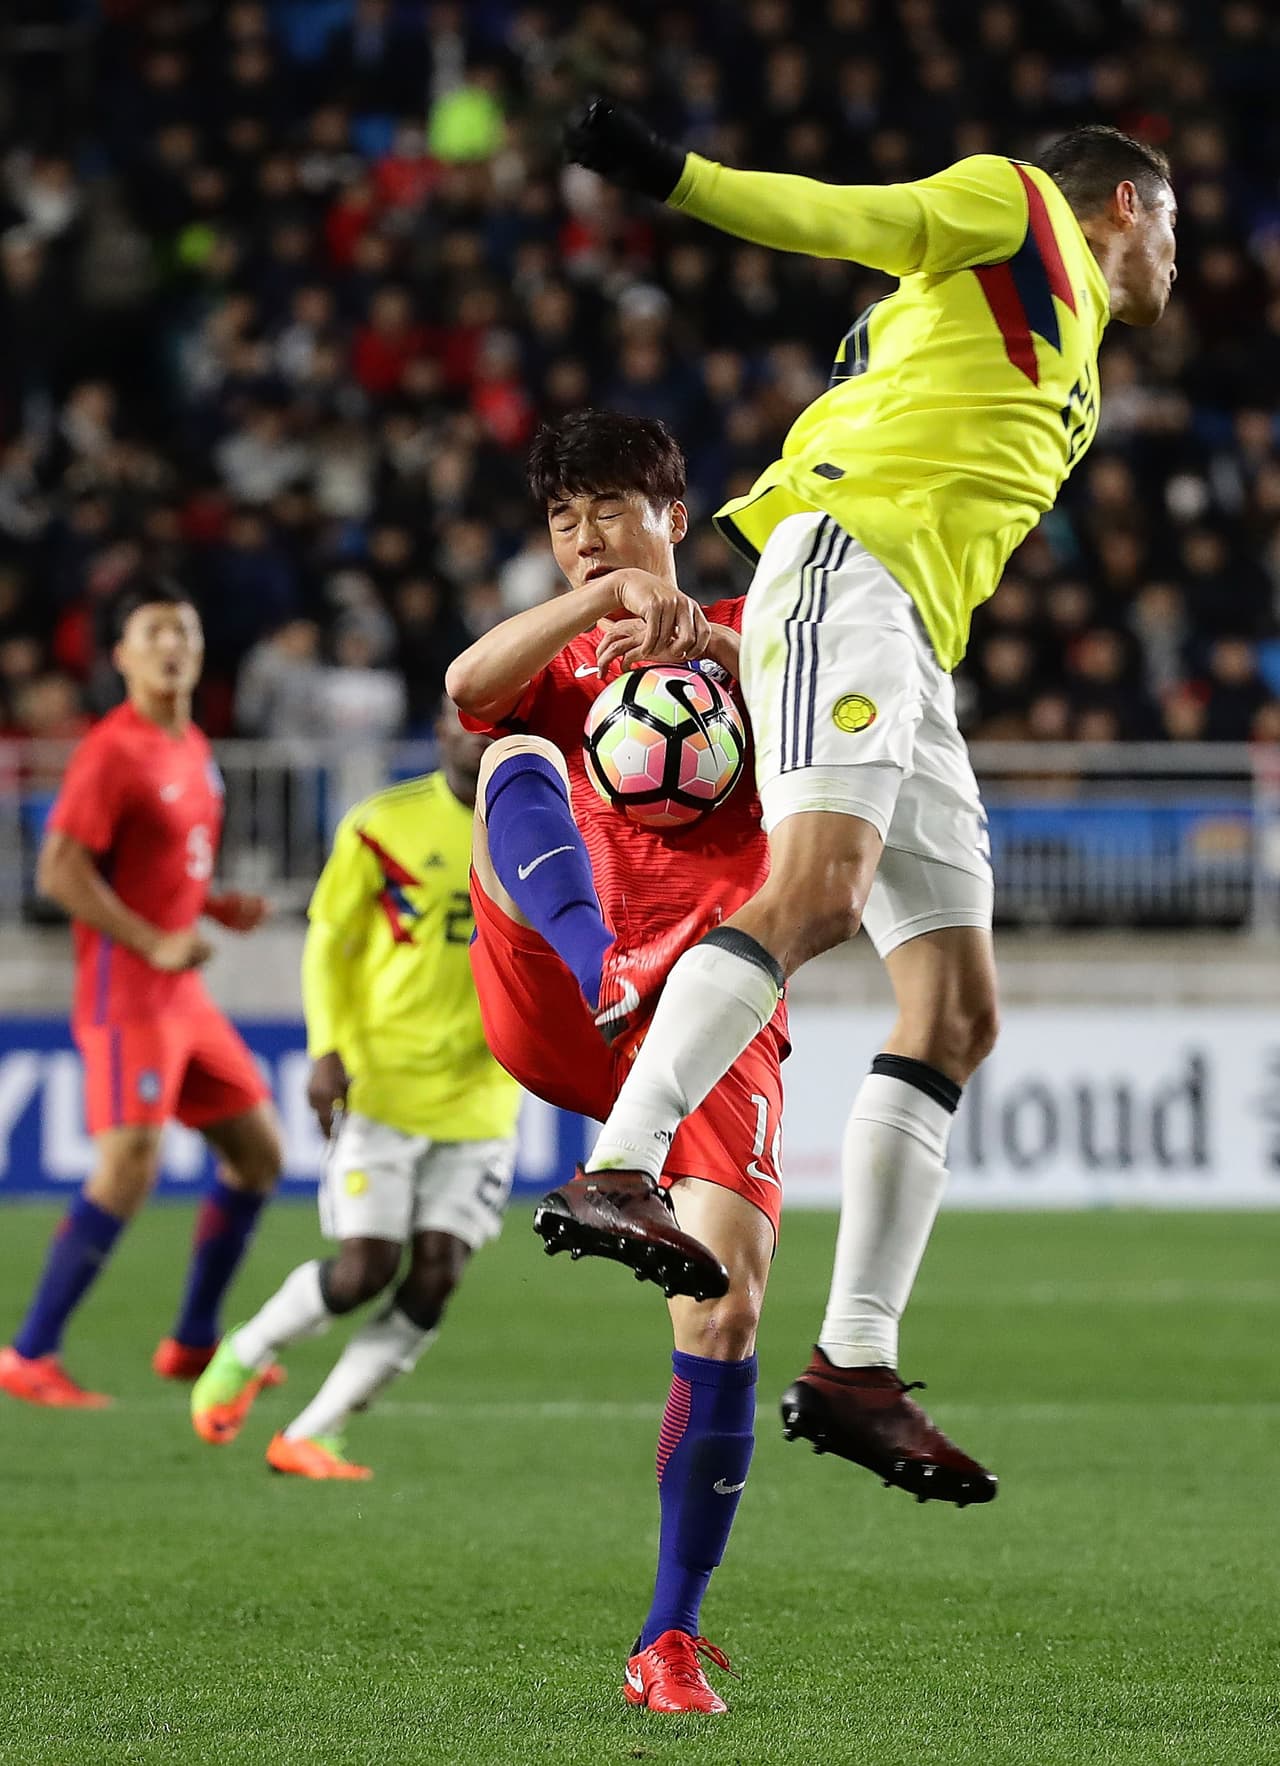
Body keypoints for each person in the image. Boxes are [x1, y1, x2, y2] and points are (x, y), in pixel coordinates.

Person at [556, 109, 1176, 1491]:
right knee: (819, 895)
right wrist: (677, 176)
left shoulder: (1016, 328)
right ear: (1127, 202)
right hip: (854, 574)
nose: (1177, 266)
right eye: (1174, 233)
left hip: (908, 635)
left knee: (957, 1011)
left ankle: (854, 1364)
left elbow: (875, 388)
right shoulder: (1019, 212)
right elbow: (849, 213)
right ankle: (619, 1163)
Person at [448, 409, 791, 1715]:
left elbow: (844, 677)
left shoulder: (758, 630)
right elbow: (471, 690)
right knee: (513, 753)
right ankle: (596, 955)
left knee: (726, 1300)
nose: (585, 533)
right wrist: (605, 600)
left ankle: (667, 1639)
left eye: (612, 508)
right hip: (567, 984)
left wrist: (700, 626)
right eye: (564, 516)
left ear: (677, 514)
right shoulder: (562, 647)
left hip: (714, 1002)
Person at [189, 701, 521, 1480]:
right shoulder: (382, 825)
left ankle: (314, 1432)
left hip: (483, 1095)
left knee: (438, 1273)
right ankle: (248, 1348)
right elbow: (329, 945)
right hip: (381, 1085)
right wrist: (326, 1049)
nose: (482, 736)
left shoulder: (545, 829)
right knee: (364, 1268)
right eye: (467, 722)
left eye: (497, 724)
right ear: (440, 733)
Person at [0, 577, 282, 1409]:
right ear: (122, 654)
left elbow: (163, 870)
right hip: (128, 990)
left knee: (259, 1153)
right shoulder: (112, 750)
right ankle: (30, 1353)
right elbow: (60, 869)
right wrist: (153, 938)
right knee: (129, 1163)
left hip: (182, 998)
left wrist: (211, 905)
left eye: (185, 632)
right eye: (155, 632)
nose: (173, 646)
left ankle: (194, 1339)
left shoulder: (191, 744)